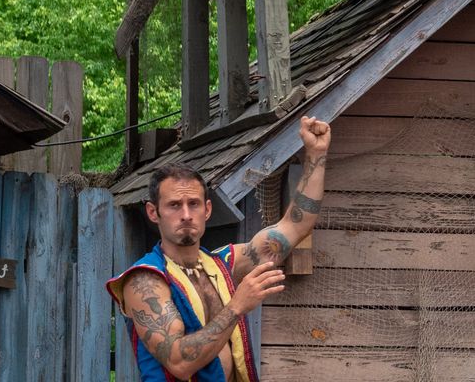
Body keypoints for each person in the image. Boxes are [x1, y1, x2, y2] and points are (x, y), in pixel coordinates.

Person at [108, 116, 332, 382]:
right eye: (174, 205)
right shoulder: (144, 280)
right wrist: (237, 305)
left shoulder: (224, 263)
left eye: (194, 203)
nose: (186, 214)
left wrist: (316, 155)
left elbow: (295, 226)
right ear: (153, 212)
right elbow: (178, 362)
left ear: (207, 210)